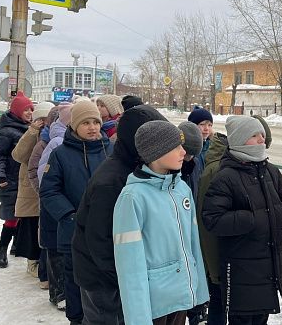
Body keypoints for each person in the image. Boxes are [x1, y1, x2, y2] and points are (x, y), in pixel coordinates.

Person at [72, 105, 168, 325]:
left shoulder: (135, 168)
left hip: (116, 275)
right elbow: (100, 241)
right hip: (103, 280)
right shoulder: (113, 181)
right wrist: (125, 280)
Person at [113, 120, 209, 324]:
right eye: (176, 147)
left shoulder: (181, 189)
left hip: (182, 296)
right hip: (155, 305)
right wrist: (138, 317)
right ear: (156, 152)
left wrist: (199, 292)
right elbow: (130, 265)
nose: (184, 152)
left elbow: (193, 245)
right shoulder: (133, 197)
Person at [202, 116, 282, 325]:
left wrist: (281, 214)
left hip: (268, 269)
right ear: (240, 140)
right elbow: (212, 219)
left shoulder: (270, 171)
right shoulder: (226, 177)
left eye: (262, 134)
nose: (262, 139)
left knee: (261, 319)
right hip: (241, 273)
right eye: (255, 135)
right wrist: (251, 219)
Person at [40, 100, 112, 324]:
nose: (92, 127)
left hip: (106, 234)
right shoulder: (60, 154)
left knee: (104, 288)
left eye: (95, 122)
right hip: (73, 234)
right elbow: (49, 190)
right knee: (75, 285)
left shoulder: (110, 150)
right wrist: (69, 215)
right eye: (86, 123)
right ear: (74, 126)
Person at [0, 91, 34, 268]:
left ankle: (16, 245)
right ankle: (1, 251)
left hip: (24, 180)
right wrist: (0, 177)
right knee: (12, 217)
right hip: (10, 180)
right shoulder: (6, 132)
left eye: (31, 109)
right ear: (17, 111)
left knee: (22, 214)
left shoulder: (28, 128)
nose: (30, 113)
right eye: (26, 110)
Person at [11, 101, 55, 283]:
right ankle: (32, 262)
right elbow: (18, 155)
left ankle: (43, 264)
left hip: (44, 186)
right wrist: (32, 133)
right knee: (30, 227)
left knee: (43, 228)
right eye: (41, 119)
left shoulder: (54, 133)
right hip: (29, 189)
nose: (44, 122)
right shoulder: (31, 134)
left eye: (47, 119)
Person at [37, 102, 72, 310]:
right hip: (57, 207)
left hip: (63, 205)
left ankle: (60, 292)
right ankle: (58, 293)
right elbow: (42, 175)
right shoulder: (58, 143)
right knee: (56, 251)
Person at [187, 106, 214, 198]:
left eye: (210, 125)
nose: (206, 129)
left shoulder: (212, 148)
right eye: (202, 124)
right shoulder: (186, 151)